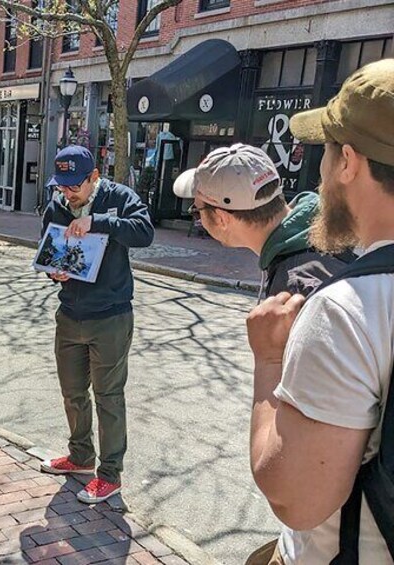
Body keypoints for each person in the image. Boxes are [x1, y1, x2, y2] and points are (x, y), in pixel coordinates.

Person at [245, 59, 394, 564]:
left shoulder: (349, 310)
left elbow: (295, 500)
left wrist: (268, 362)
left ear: (348, 162)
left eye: (326, 154)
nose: (321, 173)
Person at [39, 145, 154, 504]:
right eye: (61, 186)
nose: (67, 193)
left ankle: (110, 475)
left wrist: (98, 222)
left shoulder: (119, 198)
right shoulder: (56, 206)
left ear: (94, 178)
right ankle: (80, 457)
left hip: (110, 317)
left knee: (108, 397)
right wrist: (54, 273)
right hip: (70, 314)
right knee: (72, 393)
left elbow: (144, 232)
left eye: (74, 185)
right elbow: (50, 247)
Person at [173, 143, 351, 299]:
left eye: (197, 211)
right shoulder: (330, 232)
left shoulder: (294, 287)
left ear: (222, 218)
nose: (197, 217)